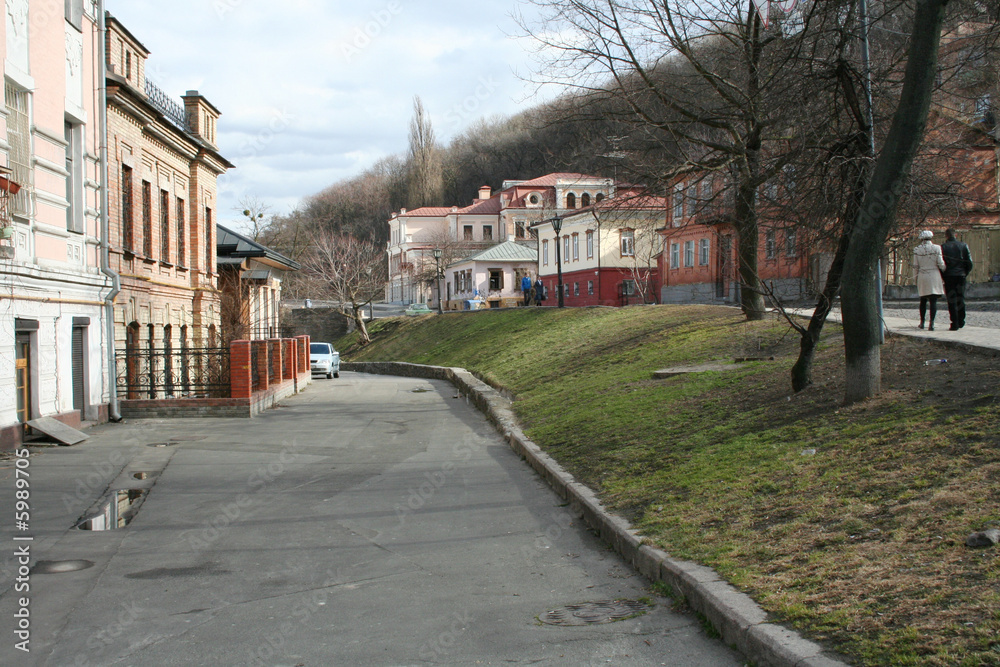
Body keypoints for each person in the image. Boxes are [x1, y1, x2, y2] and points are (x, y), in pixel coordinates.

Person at [911, 230, 945, 331]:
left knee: (923, 300)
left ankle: (922, 322)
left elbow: (915, 266)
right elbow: (940, 263)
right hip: (934, 274)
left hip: (922, 275)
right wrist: (944, 270)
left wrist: (915, 279)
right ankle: (932, 323)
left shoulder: (917, 249)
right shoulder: (937, 248)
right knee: (933, 300)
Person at [941, 227, 973, 330]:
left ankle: (954, 322)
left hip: (949, 275)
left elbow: (941, 263)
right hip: (961, 275)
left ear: (946, 236)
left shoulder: (943, 247)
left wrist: (943, 275)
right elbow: (969, 262)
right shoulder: (963, 246)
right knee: (961, 298)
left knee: (951, 299)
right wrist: (965, 272)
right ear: (956, 235)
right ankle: (961, 320)